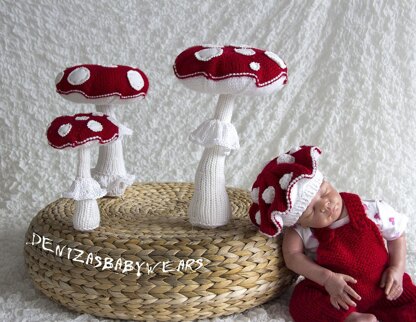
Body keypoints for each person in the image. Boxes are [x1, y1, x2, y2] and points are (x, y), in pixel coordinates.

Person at [248, 145, 416, 322]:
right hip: (337, 294)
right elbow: (291, 256)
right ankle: (352, 318)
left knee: (411, 301)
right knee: (301, 299)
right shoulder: (302, 230)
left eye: (325, 192)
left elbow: (397, 234)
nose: (325, 205)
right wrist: (327, 279)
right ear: (299, 221)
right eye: (312, 211)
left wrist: (397, 268)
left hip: (383, 286)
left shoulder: (370, 210)